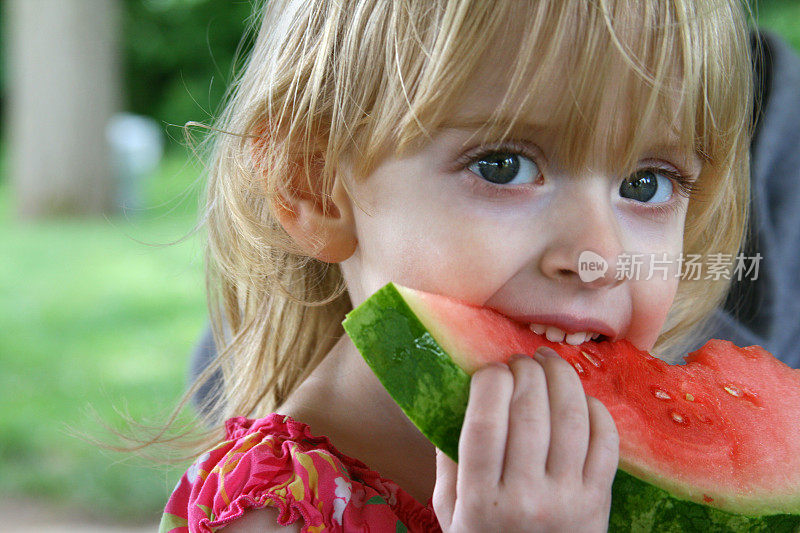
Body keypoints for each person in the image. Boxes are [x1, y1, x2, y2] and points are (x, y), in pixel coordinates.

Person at [160, 1, 754, 531]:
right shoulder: (271, 513)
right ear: (313, 189)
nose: (598, 256)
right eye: (504, 166)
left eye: (646, 184)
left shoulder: (629, 481)